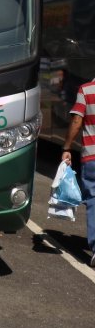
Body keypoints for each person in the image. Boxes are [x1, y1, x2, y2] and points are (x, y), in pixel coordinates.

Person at [62, 78, 95, 268]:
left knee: (93, 201)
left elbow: (76, 121)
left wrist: (66, 147)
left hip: (92, 157)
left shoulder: (86, 90)